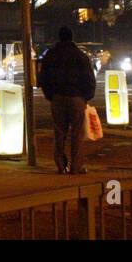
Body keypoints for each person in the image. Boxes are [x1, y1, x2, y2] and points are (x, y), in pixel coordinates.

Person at [38, 26, 96, 174]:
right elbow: (89, 78)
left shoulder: (51, 55)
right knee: (77, 134)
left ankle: (60, 165)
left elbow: (44, 77)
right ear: (72, 37)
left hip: (58, 97)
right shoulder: (80, 56)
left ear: (59, 37)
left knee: (59, 133)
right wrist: (86, 97)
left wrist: (50, 95)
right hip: (76, 97)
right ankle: (76, 167)